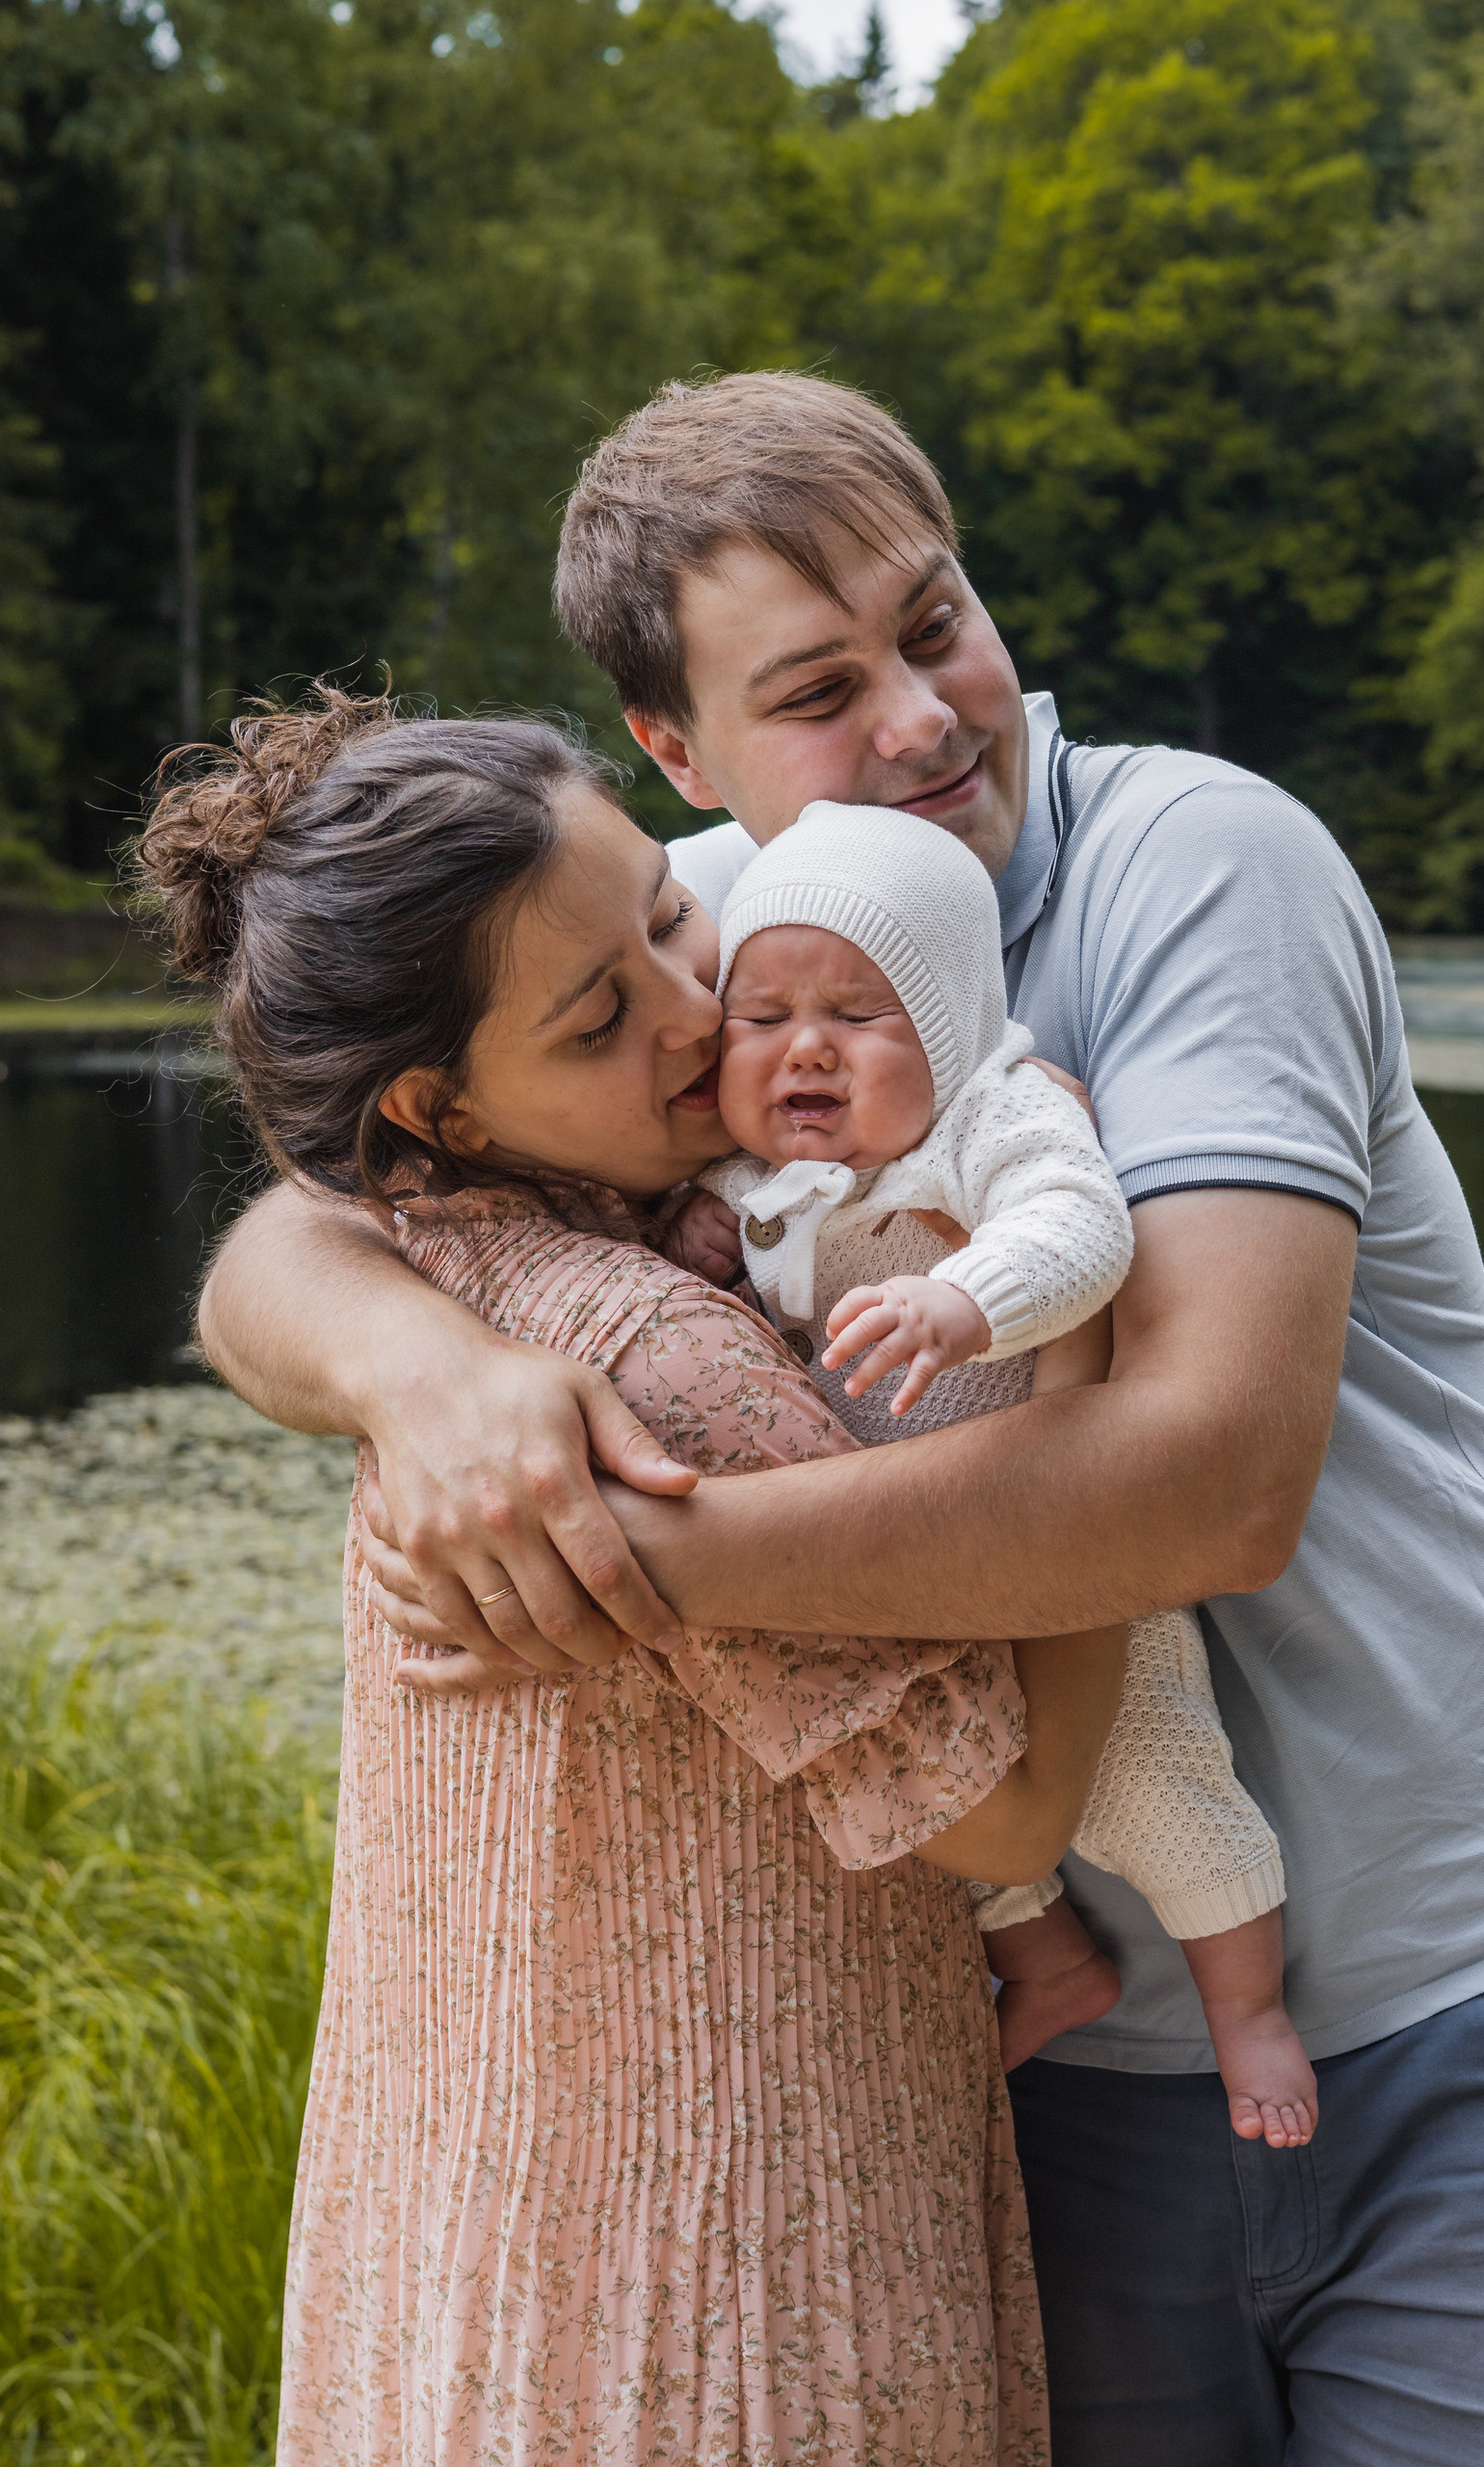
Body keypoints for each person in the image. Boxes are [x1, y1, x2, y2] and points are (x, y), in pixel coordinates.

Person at [201, 374, 1484, 2466]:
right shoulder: (685, 944)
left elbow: (1207, 1481)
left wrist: (649, 1558)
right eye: (815, 686)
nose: (915, 715)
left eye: (933, 616)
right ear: (679, 759)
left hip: (1466, 1998)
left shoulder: (1192, 868)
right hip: (1072, 2066)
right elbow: (305, 1221)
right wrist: (427, 1371)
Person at [143, 688, 1135, 2464]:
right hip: (739, 2271)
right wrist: (1092, 1425)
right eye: (607, 1017)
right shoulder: (653, 1354)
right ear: (438, 1104)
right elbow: (1009, 1814)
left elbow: (292, 1243)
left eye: (679, 919)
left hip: (473, 2230)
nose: (701, 1010)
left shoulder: (455, 1246)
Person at [675, 797, 1315, 2147]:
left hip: (1059, 1531)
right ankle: (1050, 1961)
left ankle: (1248, 2008)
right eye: (764, 1016)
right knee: (935, 1792)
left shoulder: (990, 1113)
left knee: (1154, 1776)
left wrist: (970, 1298)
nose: (807, 1049)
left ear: (955, 1019)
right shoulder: (740, 1174)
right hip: (897, 1566)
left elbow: (1084, 1227)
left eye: (861, 1014)